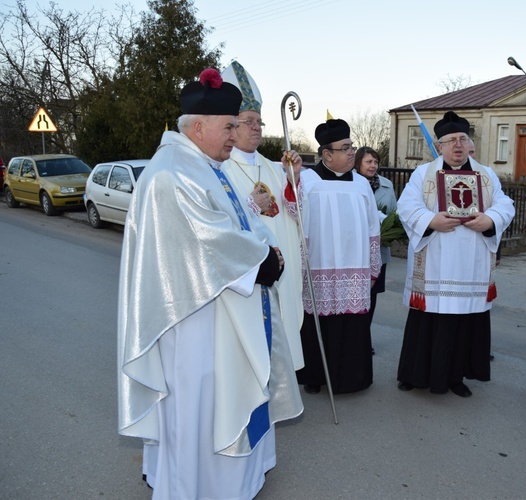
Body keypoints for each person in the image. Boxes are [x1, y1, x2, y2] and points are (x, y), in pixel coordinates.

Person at [117, 68, 303, 499]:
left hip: (223, 309)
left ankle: (236, 480)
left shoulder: (204, 165)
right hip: (193, 320)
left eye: (238, 125)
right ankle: (198, 488)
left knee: (227, 393)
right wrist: (260, 264)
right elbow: (204, 241)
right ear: (198, 127)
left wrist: (266, 252)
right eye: (229, 127)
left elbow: (237, 221)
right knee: (200, 406)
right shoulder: (170, 174)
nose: (235, 135)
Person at [396, 111, 515, 398]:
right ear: (439, 146)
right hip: (436, 260)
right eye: (451, 141)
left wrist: (491, 221)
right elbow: (406, 206)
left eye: (463, 139)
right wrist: (430, 221)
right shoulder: (422, 174)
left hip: (470, 264)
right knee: (429, 320)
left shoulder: (486, 175)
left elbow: (506, 205)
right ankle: (416, 374)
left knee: (463, 321)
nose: (458, 145)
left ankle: (455, 376)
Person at [221, 61, 305, 372]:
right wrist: (251, 205)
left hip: (280, 271)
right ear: (233, 125)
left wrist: (293, 180)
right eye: (249, 121)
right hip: (250, 277)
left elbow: (295, 217)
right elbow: (222, 219)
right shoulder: (222, 168)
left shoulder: (274, 166)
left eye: (260, 122)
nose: (257, 127)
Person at [294, 119, 382, 394]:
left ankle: (352, 378)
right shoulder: (307, 182)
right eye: (345, 148)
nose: (351, 152)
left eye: (351, 146)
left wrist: (372, 267)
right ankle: (315, 376)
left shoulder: (361, 184)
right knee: (318, 322)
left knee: (352, 324)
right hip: (318, 265)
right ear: (327, 154)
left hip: (355, 266)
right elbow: (296, 223)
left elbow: (372, 228)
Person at [354, 146, 397, 349]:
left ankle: (364, 339)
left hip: (378, 252)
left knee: (371, 298)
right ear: (358, 163)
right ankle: (354, 338)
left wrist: (388, 231)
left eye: (375, 162)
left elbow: (394, 215)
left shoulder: (386, 185)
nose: (373, 166)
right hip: (354, 253)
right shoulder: (350, 183)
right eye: (368, 162)